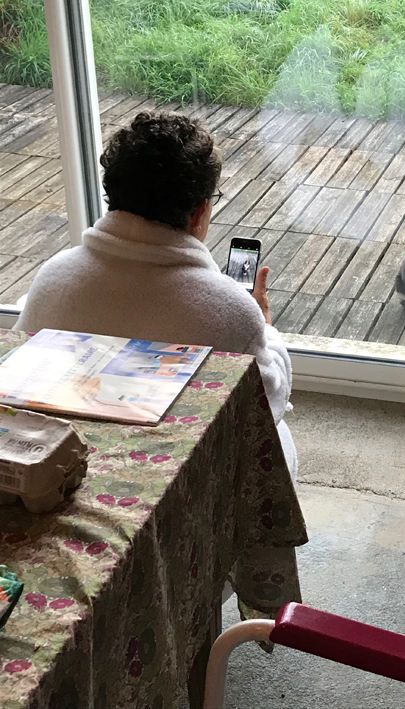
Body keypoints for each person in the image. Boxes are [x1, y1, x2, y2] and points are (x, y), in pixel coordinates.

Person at [14, 111, 297, 479]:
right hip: (173, 479)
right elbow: (268, 404)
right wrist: (264, 327)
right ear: (199, 211)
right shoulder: (229, 310)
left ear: (114, 195)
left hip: (63, 470)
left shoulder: (54, 278)